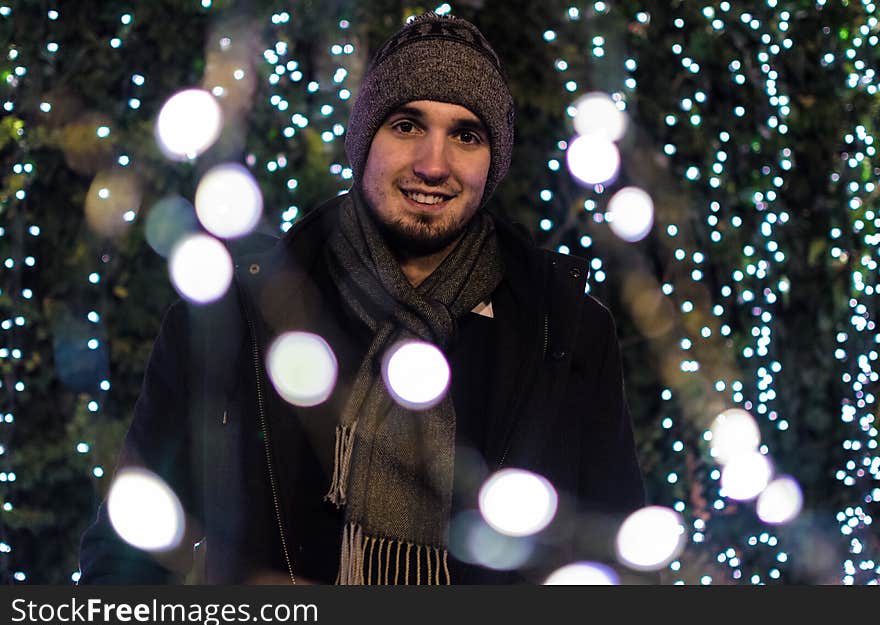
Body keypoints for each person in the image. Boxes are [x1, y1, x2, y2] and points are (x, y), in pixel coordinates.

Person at [79, 12, 645, 585]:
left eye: (466, 135)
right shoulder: (236, 316)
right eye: (406, 125)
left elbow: (615, 568)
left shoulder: (564, 331)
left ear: (492, 162)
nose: (433, 164)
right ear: (364, 140)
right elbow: (126, 558)